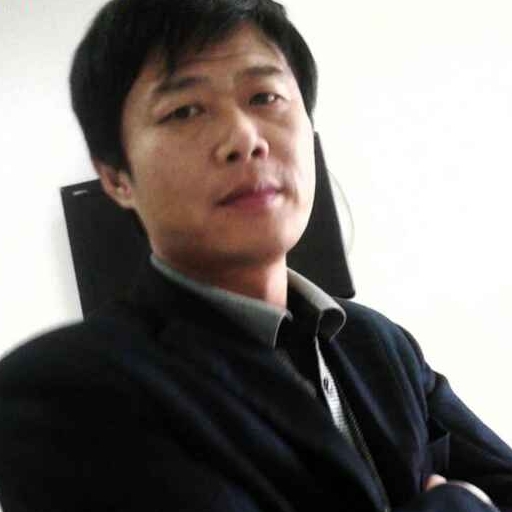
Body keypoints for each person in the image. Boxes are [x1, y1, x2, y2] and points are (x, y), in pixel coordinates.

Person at [0, 0, 511, 510]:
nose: (245, 139)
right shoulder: (65, 392)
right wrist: (458, 503)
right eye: (185, 110)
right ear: (116, 177)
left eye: (265, 97)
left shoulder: (380, 344)